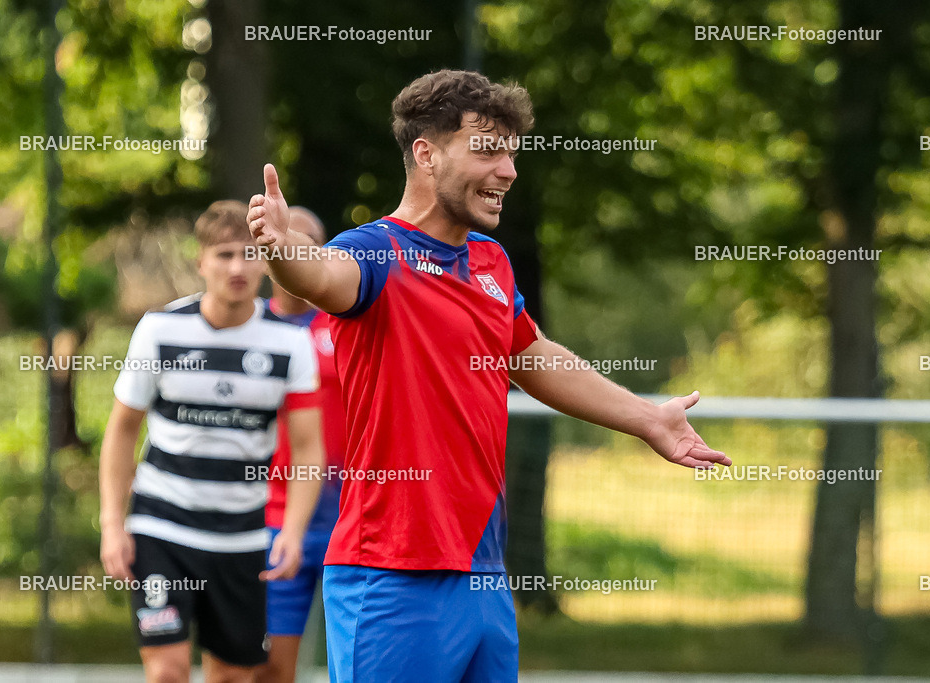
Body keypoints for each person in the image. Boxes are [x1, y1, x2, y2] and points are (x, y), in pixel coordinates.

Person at [247, 69, 730, 682]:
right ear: (426, 153)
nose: (508, 170)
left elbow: (534, 357)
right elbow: (318, 276)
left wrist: (647, 418)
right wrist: (281, 247)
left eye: (511, 152)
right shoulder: (375, 252)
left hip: (484, 572)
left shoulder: (491, 262)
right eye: (488, 149)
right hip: (393, 575)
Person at [99, 200, 324, 683]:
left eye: (249, 253)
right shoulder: (159, 331)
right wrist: (112, 524)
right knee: (168, 671)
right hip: (163, 528)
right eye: (224, 254)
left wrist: (293, 531)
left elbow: (308, 447)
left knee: (233, 677)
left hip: (242, 537)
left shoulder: (289, 343)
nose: (238, 267)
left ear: (267, 260)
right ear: (200, 262)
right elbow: (121, 430)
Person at [258, 207, 346, 683]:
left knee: (358, 666)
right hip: (270, 519)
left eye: (307, 241)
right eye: (284, 238)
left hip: (350, 523)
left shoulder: (349, 326)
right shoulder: (248, 330)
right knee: (269, 669)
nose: (294, 248)